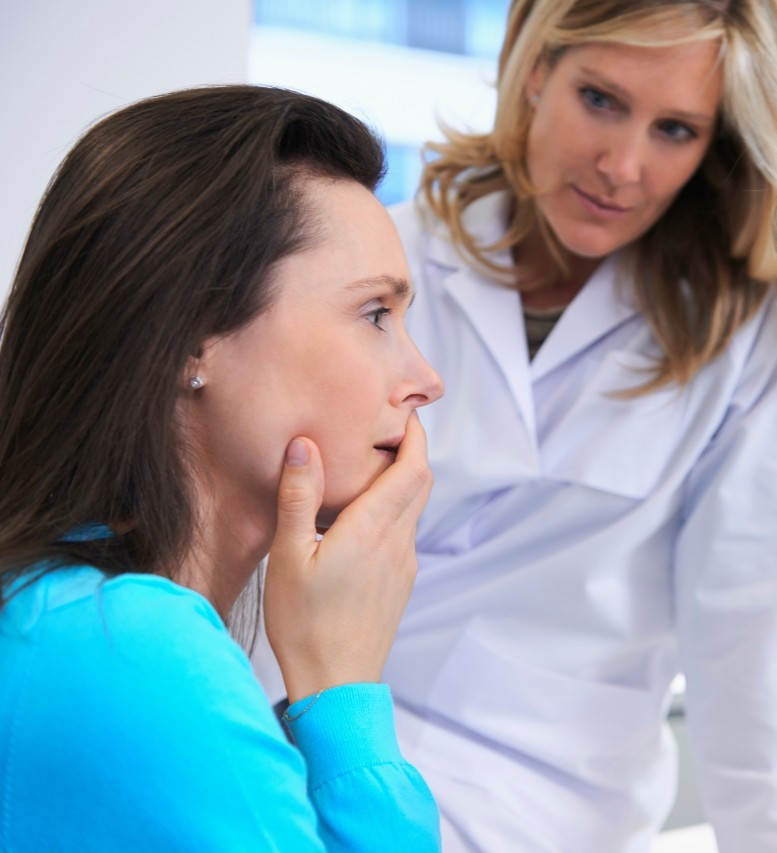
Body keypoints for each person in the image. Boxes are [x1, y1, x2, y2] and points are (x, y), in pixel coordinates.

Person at [267, 0, 777, 849]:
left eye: (675, 130)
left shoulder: (752, 342)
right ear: (535, 65)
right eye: (601, 99)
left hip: (547, 809)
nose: (623, 165)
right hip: (300, 757)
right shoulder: (382, 259)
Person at [0, 85, 446, 850]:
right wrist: (343, 693)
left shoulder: (65, 615)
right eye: (375, 313)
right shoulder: (133, 653)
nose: (424, 379)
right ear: (193, 338)